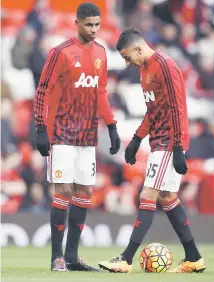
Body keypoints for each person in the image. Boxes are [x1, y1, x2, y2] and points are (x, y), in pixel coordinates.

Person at [98, 28, 206, 274]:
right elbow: (154, 110)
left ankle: (125, 259)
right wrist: (137, 138)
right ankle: (194, 258)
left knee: (148, 195)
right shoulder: (145, 70)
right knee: (167, 197)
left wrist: (178, 147)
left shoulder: (165, 66)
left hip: (170, 140)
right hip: (159, 139)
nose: (127, 63)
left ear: (139, 48)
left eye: (127, 57)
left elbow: (177, 107)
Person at [34, 3, 121, 272]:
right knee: (64, 191)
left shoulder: (100, 53)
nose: (94, 29)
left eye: (97, 24)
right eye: (89, 24)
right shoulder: (60, 52)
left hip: (87, 134)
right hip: (61, 132)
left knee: (84, 192)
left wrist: (112, 125)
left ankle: (72, 257)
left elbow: (101, 92)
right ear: (77, 23)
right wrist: (40, 128)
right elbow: (42, 91)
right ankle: (56, 257)